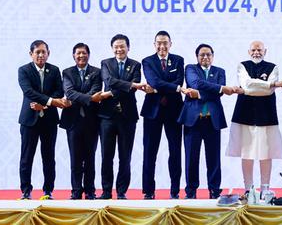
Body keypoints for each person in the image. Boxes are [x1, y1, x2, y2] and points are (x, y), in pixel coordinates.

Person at [178, 44, 241, 199]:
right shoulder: (190, 69)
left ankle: (214, 190)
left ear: (213, 56)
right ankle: (191, 191)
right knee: (191, 158)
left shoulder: (220, 72)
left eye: (208, 55)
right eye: (202, 55)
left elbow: (216, 95)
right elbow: (196, 84)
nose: (205, 57)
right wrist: (220, 88)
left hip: (212, 120)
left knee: (213, 157)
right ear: (197, 57)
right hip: (193, 120)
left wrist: (199, 94)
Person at [226, 40, 282, 199]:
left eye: (259, 50)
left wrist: (260, 87)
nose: (256, 52)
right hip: (245, 113)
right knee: (247, 152)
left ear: (265, 51)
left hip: (267, 114)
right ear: (248, 51)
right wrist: (269, 83)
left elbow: (268, 92)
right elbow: (246, 85)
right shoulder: (242, 65)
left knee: (266, 152)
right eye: (253, 50)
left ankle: (265, 188)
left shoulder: (273, 67)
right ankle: (248, 188)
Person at [18, 40, 70, 200]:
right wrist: (51, 102)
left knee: (48, 156)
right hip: (29, 120)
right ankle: (26, 191)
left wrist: (45, 105)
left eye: (43, 52)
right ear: (31, 54)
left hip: (49, 120)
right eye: (37, 52)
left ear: (48, 53)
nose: (41, 55)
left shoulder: (54, 70)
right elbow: (28, 92)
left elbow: (59, 91)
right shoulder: (24, 70)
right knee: (27, 156)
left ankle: (48, 191)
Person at [98, 34, 146, 199]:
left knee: (125, 156)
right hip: (107, 116)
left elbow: (132, 89)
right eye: (116, 47)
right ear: (112, 49)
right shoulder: (105, 63)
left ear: (128, 47)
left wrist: (111, 93)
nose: (119, 49)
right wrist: (131, 84)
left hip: (128, 116)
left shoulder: (135, 65)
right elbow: (109, 80)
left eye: (122, 46)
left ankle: (121, 192)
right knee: (106, 156)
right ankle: (105, 191)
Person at [140, 30, 185, 200]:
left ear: (170, 44)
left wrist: (159, 88)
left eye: (165, 43)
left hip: (174, 111)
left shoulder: (178, 60)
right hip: (153, 112)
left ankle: (175, 191)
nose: (162, 46)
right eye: (159, 43)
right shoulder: (148, 61)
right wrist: (171, 88)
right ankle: (148, 191)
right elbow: (154, 81)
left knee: (175, 152)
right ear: (154, 45)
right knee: (150, 152)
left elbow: (179, 81)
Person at [60, 42, 103, 200]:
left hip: (92, 121)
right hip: (73, 121)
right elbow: (69, 92)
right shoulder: (67, 72)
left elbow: (96, 89)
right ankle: (76, 191)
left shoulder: (97, 72)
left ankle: (90, 191)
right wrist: (90, 98)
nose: (81, 56)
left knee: (90, 158)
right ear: (73, 55)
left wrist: (87, 96)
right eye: (78, 53)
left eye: (84, 53)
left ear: (88, 54)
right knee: (75, 159)